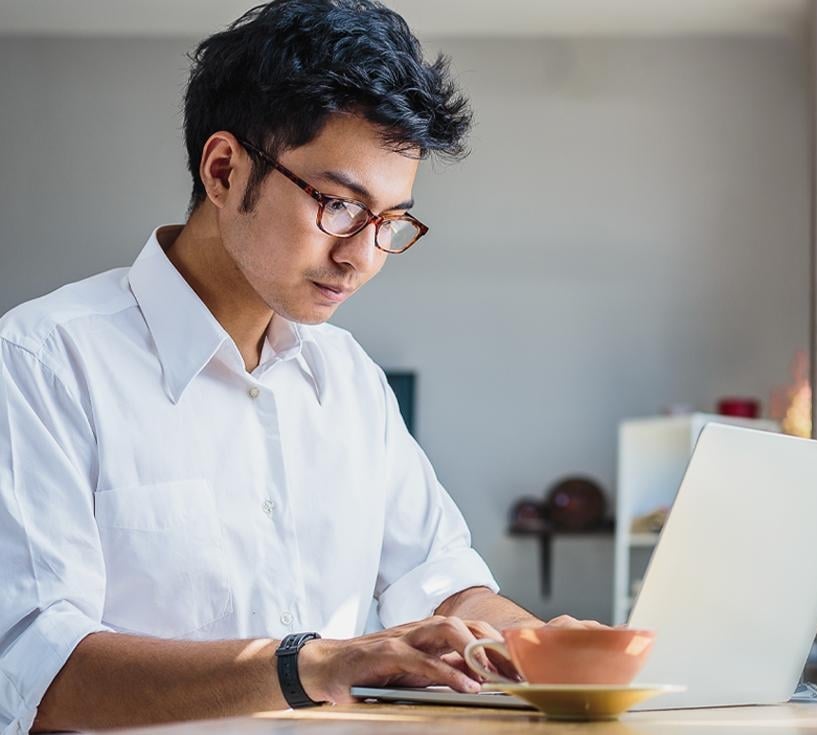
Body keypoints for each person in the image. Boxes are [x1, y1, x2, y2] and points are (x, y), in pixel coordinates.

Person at [0, 2, 600, 733]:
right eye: (341, 206)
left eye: (390, 222)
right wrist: (309, 664)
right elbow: (37, 672)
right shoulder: (42, 363)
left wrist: (540, 643)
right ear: (224, 170)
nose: (363, 257)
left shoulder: (349, 380)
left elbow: (442, 582)